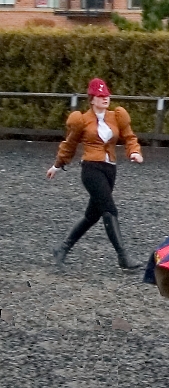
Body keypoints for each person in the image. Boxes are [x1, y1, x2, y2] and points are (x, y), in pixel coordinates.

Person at [47, 78, 144, 270]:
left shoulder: (117, 116)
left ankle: (62, 248)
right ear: (92, 99)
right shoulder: (81, 120)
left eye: (106, 95)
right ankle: (123, 256)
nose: (105, 98)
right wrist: (57, 165)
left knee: (92, 215)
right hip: (91, 169)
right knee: (109, 210)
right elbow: (70, 144)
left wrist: (134, 151)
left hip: (110, 169)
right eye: (100, 96)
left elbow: (129, 136)